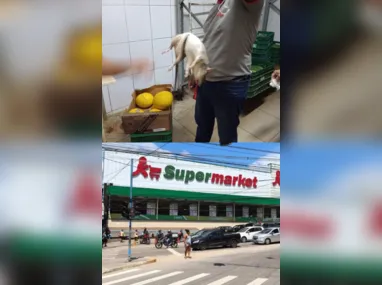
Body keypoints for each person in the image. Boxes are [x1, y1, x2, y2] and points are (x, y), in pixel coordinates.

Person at [195, 0, 264, 145]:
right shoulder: (218, 5)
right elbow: (210, 41)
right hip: (205, 82)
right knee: (202, 129)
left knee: (227, 138)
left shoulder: (242, 5)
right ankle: (198, 160)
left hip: (230, 84)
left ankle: (228, 165)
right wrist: (196, 71)